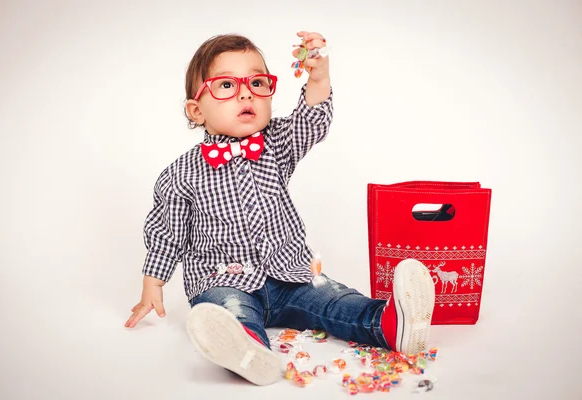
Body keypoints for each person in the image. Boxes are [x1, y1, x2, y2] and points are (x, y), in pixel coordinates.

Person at [124, 31, 435, 386]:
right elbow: (168, 231)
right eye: (226, 86)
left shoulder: (276, 143)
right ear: (196, 110)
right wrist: (153, 283)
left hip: (290, 273)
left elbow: (311, 124)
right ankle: (249, 351)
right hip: (224, 277)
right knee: (231, 310)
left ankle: (389, 323)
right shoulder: (181, 173)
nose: (245, 93)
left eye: (257, 83)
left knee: (333, 298)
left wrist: (318, 77)